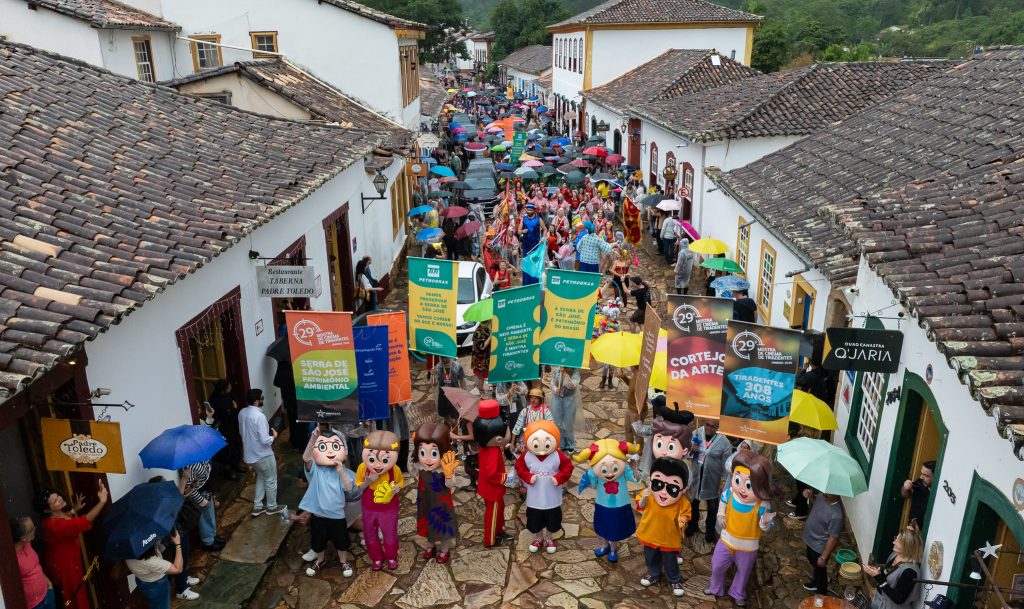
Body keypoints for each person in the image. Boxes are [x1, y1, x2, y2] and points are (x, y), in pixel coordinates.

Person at [37, 480, 108, 609]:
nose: (60, 499)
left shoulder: (58, 515)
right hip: (65, 567)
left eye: (58, 496)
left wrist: (74, 509)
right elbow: (83, 521)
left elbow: (66, 517)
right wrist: (102, 501)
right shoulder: (53, 526)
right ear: (47, 510)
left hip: (68, 561)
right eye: (55, 501)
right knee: (76, 598)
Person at [300, 428, 355, 577]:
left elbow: (349, 488)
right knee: (318, 541)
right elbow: (306, 458)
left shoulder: (340, 470)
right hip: (319, 513)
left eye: (336, 446)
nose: (330, 451)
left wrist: (341, 471)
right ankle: (320, 560)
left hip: (337, 514)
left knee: (341, 541)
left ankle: (343, 562)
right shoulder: (315, 470)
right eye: (323, 446)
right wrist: (313, 437)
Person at [635, 457, 692, 597]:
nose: (664, 492)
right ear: (650, 482)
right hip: (650, 533)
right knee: (650, 556)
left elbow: (686, 514)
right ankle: (653, 574)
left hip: (669, 537)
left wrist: (682, 520)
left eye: (672, 488)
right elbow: (640, 506)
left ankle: (674, 579)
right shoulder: (648, 495)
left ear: (683, 490)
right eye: (658, 484)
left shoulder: (682, 502)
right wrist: (644, 498)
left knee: (670, 560)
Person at [413, 422, 460, 563]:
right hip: (425, 501)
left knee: (442, 527)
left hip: (441, 504)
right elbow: (413, 473)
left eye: (434, 453)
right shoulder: (421, 466)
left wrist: (449, 475)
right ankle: (430, 545)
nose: (427, 459)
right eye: (423, 452)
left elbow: (451, 485)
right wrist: (412, 458)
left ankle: (445, 549)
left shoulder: (444, 468)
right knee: (427, 523)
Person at [239, 388, 286, 517]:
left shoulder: (242, 413)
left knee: (261, 477)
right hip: (262, 454)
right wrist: (274, 436)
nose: (263, 400)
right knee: (271, 480)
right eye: (262, 398)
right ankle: (272, 507)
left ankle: (258, 506)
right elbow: (265, 440)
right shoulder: (259, 416)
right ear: (256, 401)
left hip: (250, 455)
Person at [687, 418, 731, 543]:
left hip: (712, 479)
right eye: (707, 425)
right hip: (697, 475)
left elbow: (726, 463)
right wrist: (692, 449)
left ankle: (710, 530)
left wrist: (724, 480)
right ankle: (693, 524)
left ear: (718, 427)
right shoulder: (696, 433)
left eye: (713, 426)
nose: (709, 428)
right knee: (693, 502)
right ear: (703, 423)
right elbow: (686, 453)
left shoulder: (724, 441)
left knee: (712, 506)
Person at [864, 528, 924, 609]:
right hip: (879, 602)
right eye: (896, 538)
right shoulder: (895, 555)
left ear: (907, 546)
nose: (893, 542)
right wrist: (877, 572)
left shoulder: (910, 571)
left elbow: (898, 599)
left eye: (898, 541)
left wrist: (878, 577)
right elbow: (887, 577)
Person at [125, 528, 183, 609]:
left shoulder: (130, 549)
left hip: (142, 581)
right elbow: (178, 569)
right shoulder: (151, 561)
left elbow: (155, 550)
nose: (157, 538)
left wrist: (160, 543)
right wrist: (178, 544)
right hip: (157, 585)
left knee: (155, 604)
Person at [802, 488, 844, 595]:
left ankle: (822, 592)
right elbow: (815, 504)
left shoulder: (837, 515)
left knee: (820, 569)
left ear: (837, 493)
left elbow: (833, 538)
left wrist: (824, 557)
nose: (826, 492)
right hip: (810, 539)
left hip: (819, 546)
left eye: (830, 491)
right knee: (811, 560)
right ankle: (816, 582)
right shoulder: (822, 496)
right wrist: (810, 496)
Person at [179, 460, 224, 552]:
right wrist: (201, 501)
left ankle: (212, 536)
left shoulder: (201, 458)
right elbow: (188, 487)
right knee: (205, 519)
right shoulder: (190, 466)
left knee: (210, 516)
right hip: (200, 495)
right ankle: (208, 542)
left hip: (206, 490)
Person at [12, 516, 55, 609]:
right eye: (32, 529)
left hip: (47, 592)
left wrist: (49, 583)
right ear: (23, 538)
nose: (35, 529)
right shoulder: (13, 560)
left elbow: (36, 566)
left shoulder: (28, 544)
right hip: (35, 605)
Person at [209, 379, 244, 477]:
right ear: (222, 390)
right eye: (229, 387)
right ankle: (228, 471)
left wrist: (233, 408)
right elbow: (224, 413)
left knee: (235, 445)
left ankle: (236, 465)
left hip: (231, 425)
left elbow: (233, 403)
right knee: (226, 449)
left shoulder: (228, 395)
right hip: (223, 427)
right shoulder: (215, 400)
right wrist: (234, 409)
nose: (231, 388)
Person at [549, 367, 580, 453]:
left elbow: (572, 386)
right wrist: (555, 389)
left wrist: (566, 374)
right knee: (558, 422)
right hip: (557, 398)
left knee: (568, 422)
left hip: (569, 398)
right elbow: (551, 384)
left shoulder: (575, 372)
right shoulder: (557, 370)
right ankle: (561, 443)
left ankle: (570, 444)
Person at [901, 461, 935, 529]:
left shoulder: (937, 493)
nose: (921, 477)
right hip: (912, 527)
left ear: (935, 477)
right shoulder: (920, 482)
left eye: (926, 475)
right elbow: (906, 495)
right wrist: (905, 487)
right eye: (922, 473)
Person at [432, 357, 465, 423]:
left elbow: (462, 381)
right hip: (443, 397)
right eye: (442, 357)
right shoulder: (438, 367)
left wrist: (464, 395)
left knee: (455, 419)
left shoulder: (458, 366)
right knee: (445, 419)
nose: (444, 359)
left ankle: (454, 433)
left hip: (455, 397)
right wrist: (433, 375)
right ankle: (447, 432)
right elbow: (434, 384)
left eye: (446, 358)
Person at [471, 321, 492, 394]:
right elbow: (482, 347)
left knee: (484, 374)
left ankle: (484, 389)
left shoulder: (486, 329)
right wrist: (490, 336)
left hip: (485, 358)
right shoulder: (479, 331)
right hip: (480, 359)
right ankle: (481, 392)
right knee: (480, 375)